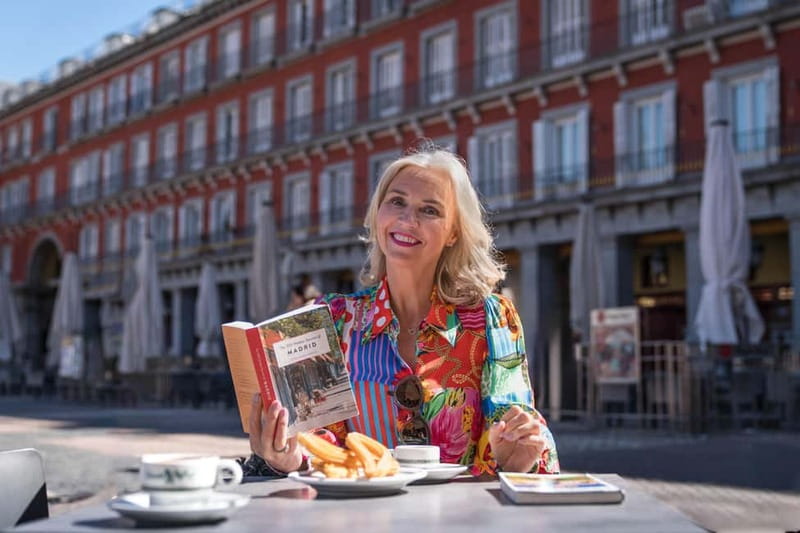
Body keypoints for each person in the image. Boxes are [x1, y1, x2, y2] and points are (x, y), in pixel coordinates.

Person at [245, 147, 559, 476]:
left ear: (453, 232)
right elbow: (321, 446)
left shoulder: (492, 319)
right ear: (378, 213)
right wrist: (287, 456)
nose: (407, 220)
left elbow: (517, 429)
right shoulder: (334, 318)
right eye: (396, 202)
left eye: (429, 210)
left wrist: (518, 456)